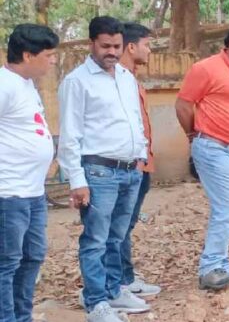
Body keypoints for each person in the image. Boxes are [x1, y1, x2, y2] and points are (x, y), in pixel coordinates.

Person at [58, 16, 149, 321]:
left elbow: (134, 119)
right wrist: (77, 181)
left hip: (129, 170)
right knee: (95, 239)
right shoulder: (76, 81)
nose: (111, 51)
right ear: (91, 44)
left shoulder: (125, 76)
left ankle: (114, 291)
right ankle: (95, 302)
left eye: (117, 46)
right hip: (98, 171)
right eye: (105, 45)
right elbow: (70, 135)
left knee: (117, 237)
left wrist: (140, 156)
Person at [175, 20, 229, 290]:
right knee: (228, 207)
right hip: (213, 147)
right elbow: (183, 105)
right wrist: (195, 137)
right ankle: (211, 268)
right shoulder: (206, 68)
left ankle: (220, 266)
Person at [0, 24, 58, 322]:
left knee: (32, 256)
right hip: (9, 194)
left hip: (33, 193)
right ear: (27, 54)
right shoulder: (4, 84)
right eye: (48, 55)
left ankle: (22, 316)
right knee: (7, 262)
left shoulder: (26, 84)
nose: (53, 60)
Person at [117, 23, 161, 298]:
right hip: (125, 165)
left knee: (126, 225)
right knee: (117, 227)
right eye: (146, 44)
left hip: (142, 163)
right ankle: (116, 283)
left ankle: (125, 278)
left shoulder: (133, 79)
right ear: (131, 47)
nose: (149, 50)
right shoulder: (116, 80)